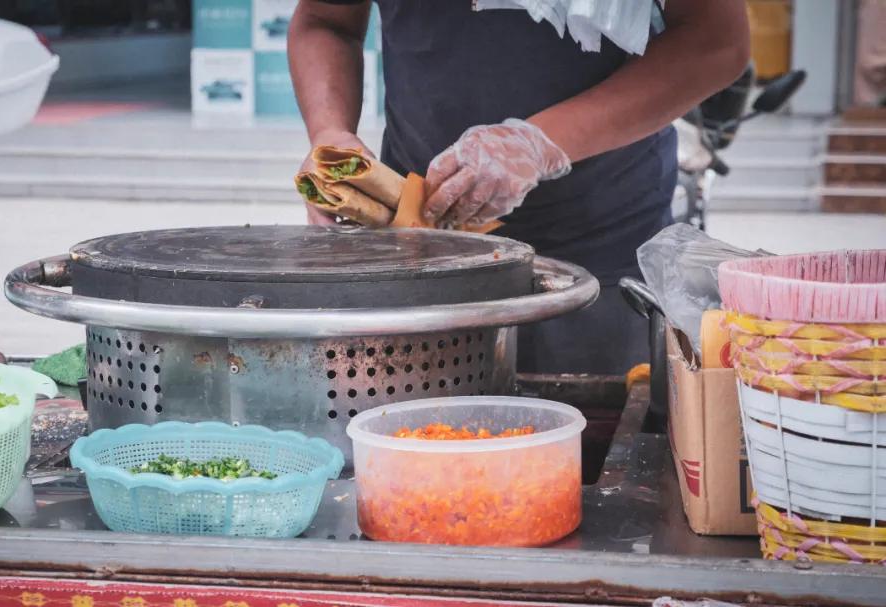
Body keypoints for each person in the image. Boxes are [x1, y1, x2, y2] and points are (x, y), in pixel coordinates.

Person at [288, 0, 750, 375]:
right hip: (419, 251)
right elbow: (326, 21)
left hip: (600, 257)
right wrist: (329, 131)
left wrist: (539, 143)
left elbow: (715, 40)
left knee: (594, 448)